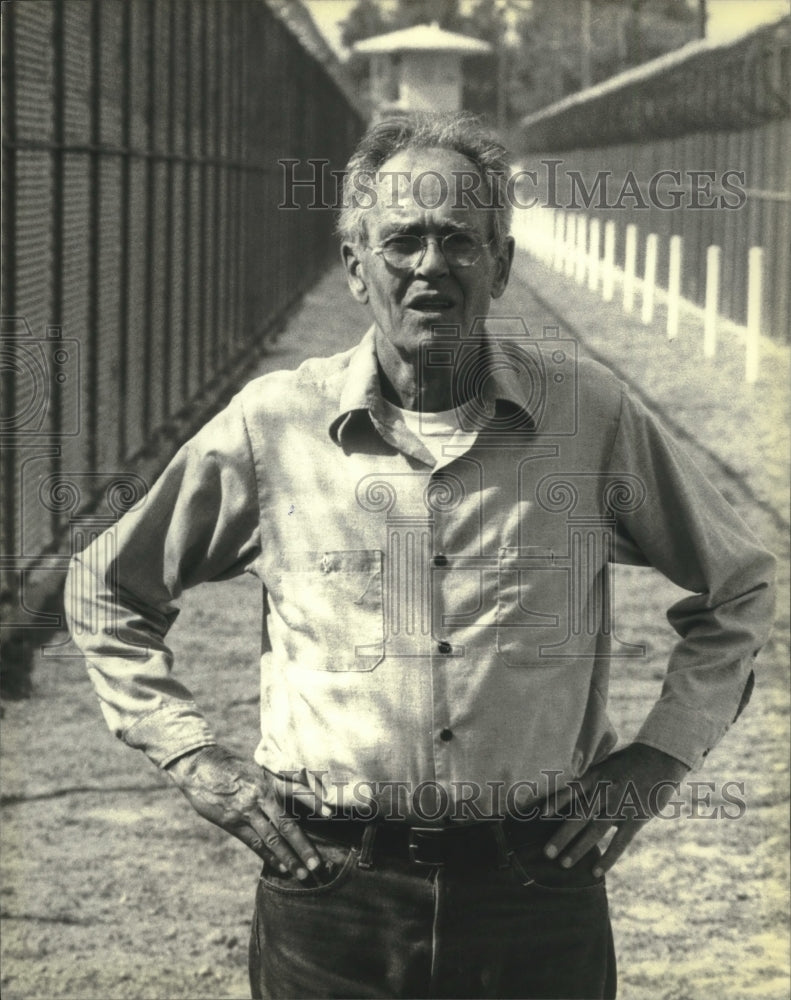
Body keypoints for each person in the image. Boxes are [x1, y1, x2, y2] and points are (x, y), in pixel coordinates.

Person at [66, 113, 775, 1000]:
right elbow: (105, 591)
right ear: (355, 265)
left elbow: (738, 585)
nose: (430, 265)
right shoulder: (274, 425)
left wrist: (658, 758)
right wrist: (193, 758)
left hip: (537, 885)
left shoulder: (588, 417)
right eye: (402, 240)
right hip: (329, 889)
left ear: (500, 264)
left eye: (459, 240)